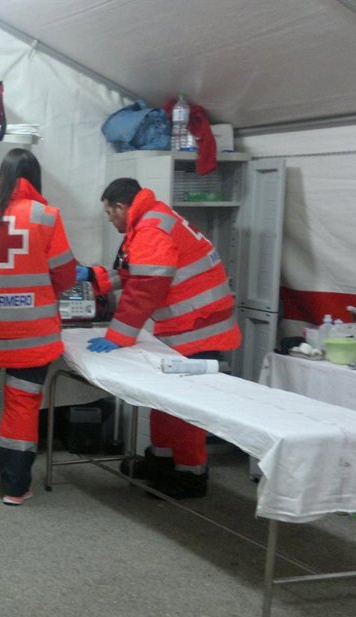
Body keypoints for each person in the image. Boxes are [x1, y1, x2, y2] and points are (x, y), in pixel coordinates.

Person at [80, 178, 240, 499]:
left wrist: (118, 336)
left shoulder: (151, 230)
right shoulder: (152, 220)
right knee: (165, 400)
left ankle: (191, 474)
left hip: (198, 329)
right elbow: (134, 272)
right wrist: (93, 276)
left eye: (109, 213)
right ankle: (163, 461)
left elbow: (143, 291)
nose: (109, 220)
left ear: (121, 207)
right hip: (191, 325)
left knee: (186, 406)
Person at [0, 149, 77, 505]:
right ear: (34, 178)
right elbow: (65, 275)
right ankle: (15, 488)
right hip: (31, 338)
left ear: (1, 177)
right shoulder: (47, 217)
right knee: (22, 405)